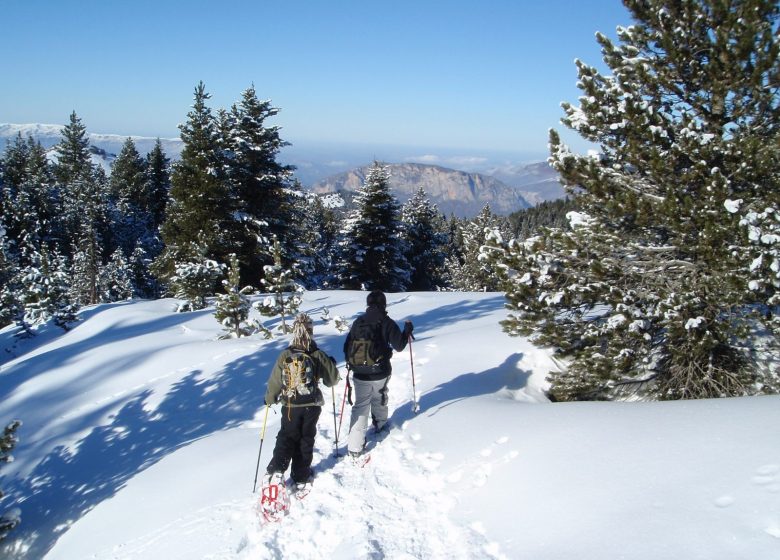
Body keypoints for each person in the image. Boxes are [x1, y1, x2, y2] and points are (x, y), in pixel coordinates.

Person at [263, 313, 339, 490]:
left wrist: (270, 398)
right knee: (305, 439)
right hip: (311, 405)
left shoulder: (285, 355)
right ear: (311, 331)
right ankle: (301, 476)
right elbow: (332, 381)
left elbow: (275, 381)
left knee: (287, 436)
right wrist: (331, 365)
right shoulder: (317, 354)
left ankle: (276, 469)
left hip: (290, 405)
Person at [344, 290, 413, 458]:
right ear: (384, 304)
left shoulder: (358, 322)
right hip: (380, 370)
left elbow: (346, 348)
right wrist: (407, 330)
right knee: (379, 396)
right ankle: (380, 425)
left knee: (360, 406)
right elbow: (399, 345)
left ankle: (354, 447)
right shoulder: (387, 322)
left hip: (359, 373)